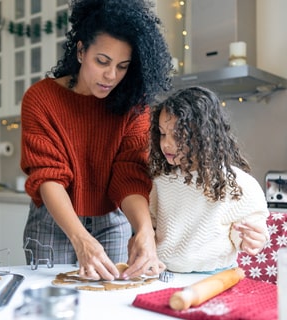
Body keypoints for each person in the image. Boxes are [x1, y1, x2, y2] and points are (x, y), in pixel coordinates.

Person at [20, 0, 172, 281]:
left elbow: (130, 173)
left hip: (112, 222)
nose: (111, 76)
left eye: (122, 66)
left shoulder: (133, 106)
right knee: (49, 302)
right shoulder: (41, 99)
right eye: (102, 61)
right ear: (80, 51)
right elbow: (48, 176)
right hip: (54, 223)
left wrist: (144, 231)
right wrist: (80, 239)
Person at [149, 86, 269, 273]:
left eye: (178, 134)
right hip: (164, 272)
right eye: (163, 133)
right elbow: (150, 225)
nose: (166, 143)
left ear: (204, 135)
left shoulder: (238, 183)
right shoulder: (160, 181)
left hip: (216, 275)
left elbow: (249, 231)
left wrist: (253, 240)